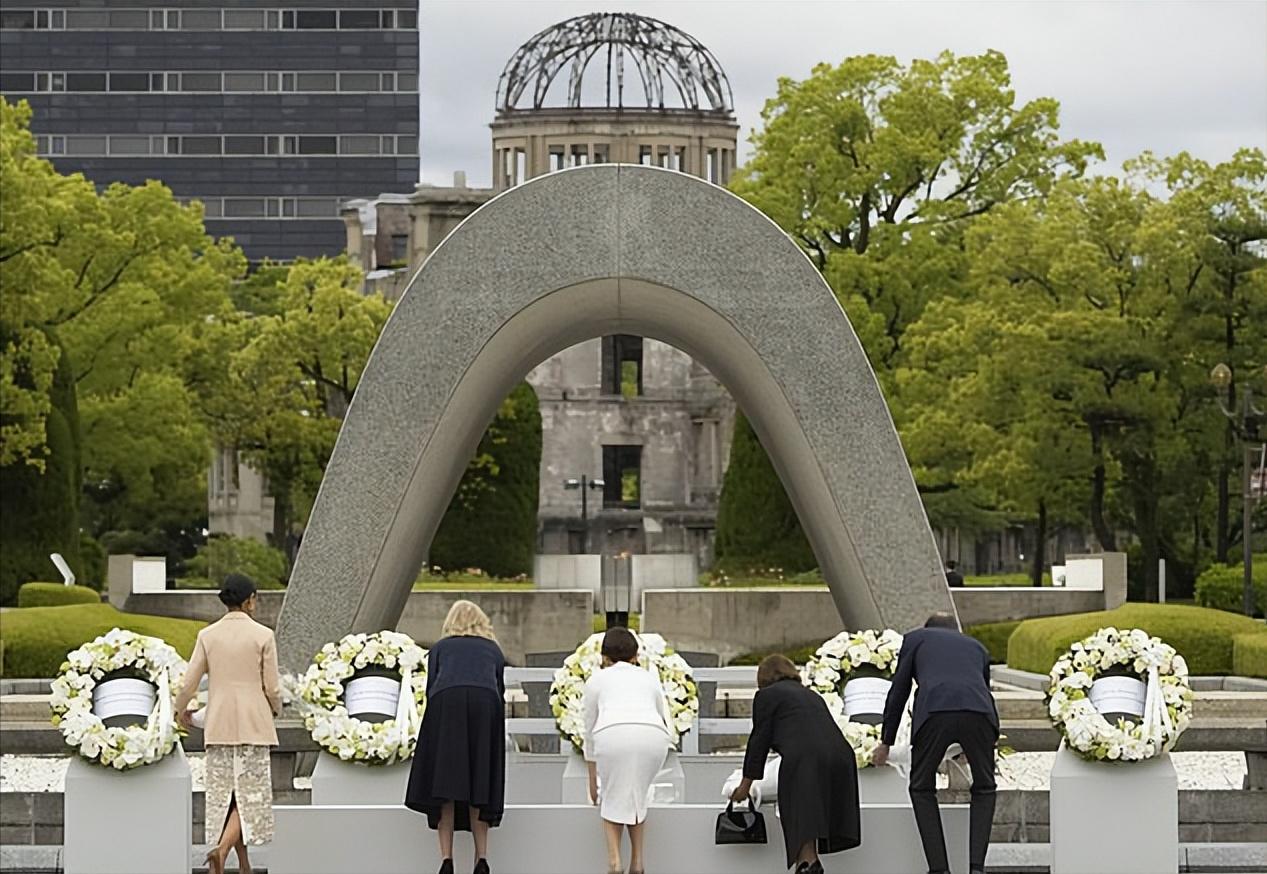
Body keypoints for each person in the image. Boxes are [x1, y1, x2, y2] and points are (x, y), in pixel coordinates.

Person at [873, 612, 998, 874]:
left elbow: (900, 690)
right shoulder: (977, 647)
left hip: (935, 711)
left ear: (927, 628)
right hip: (980, 715)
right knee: (985, 787)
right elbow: (982, 690)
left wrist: (886, 740)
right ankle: (976, 868)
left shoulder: (916, 639)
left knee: (921, 787)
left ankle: (939, 869)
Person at [175, 573, 282, 874]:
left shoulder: (208, 636)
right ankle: (221, 852)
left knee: (226, 796)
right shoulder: (263, 635)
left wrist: (178, 711)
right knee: (247, 797)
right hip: (254, 725)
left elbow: (188, 683)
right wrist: (275, 708)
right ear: (249, 600)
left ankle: (240, 865)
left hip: (218, 724)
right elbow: (272, 688)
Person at [729, 654, 860, 874]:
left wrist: (744, 787)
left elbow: (758, 741)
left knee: (801, 821)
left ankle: (808, 866)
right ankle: (808, 864)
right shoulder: (810, 695)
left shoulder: (767, 696)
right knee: (812, 819)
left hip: (805, 759)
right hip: (841, 758)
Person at [405, 600, 506, 874]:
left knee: (444, 784)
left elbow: (430, 689)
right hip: (485, 704)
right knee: (479, 783)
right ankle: (481, 858)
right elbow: (499, 690)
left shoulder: (440, 648)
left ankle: (446, 859)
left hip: (445, 704)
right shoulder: (493, 650)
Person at [581, 627, 672, 874]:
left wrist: (592, 782)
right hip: (653, 736)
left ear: (604, 656)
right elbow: (663, 716)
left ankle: (614, 863)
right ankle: (638, 862)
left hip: (612, 733)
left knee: (611, 795)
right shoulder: (649, 678)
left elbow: (588, 733)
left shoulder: (596, 680)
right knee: (636, 795)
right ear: (635, 655)